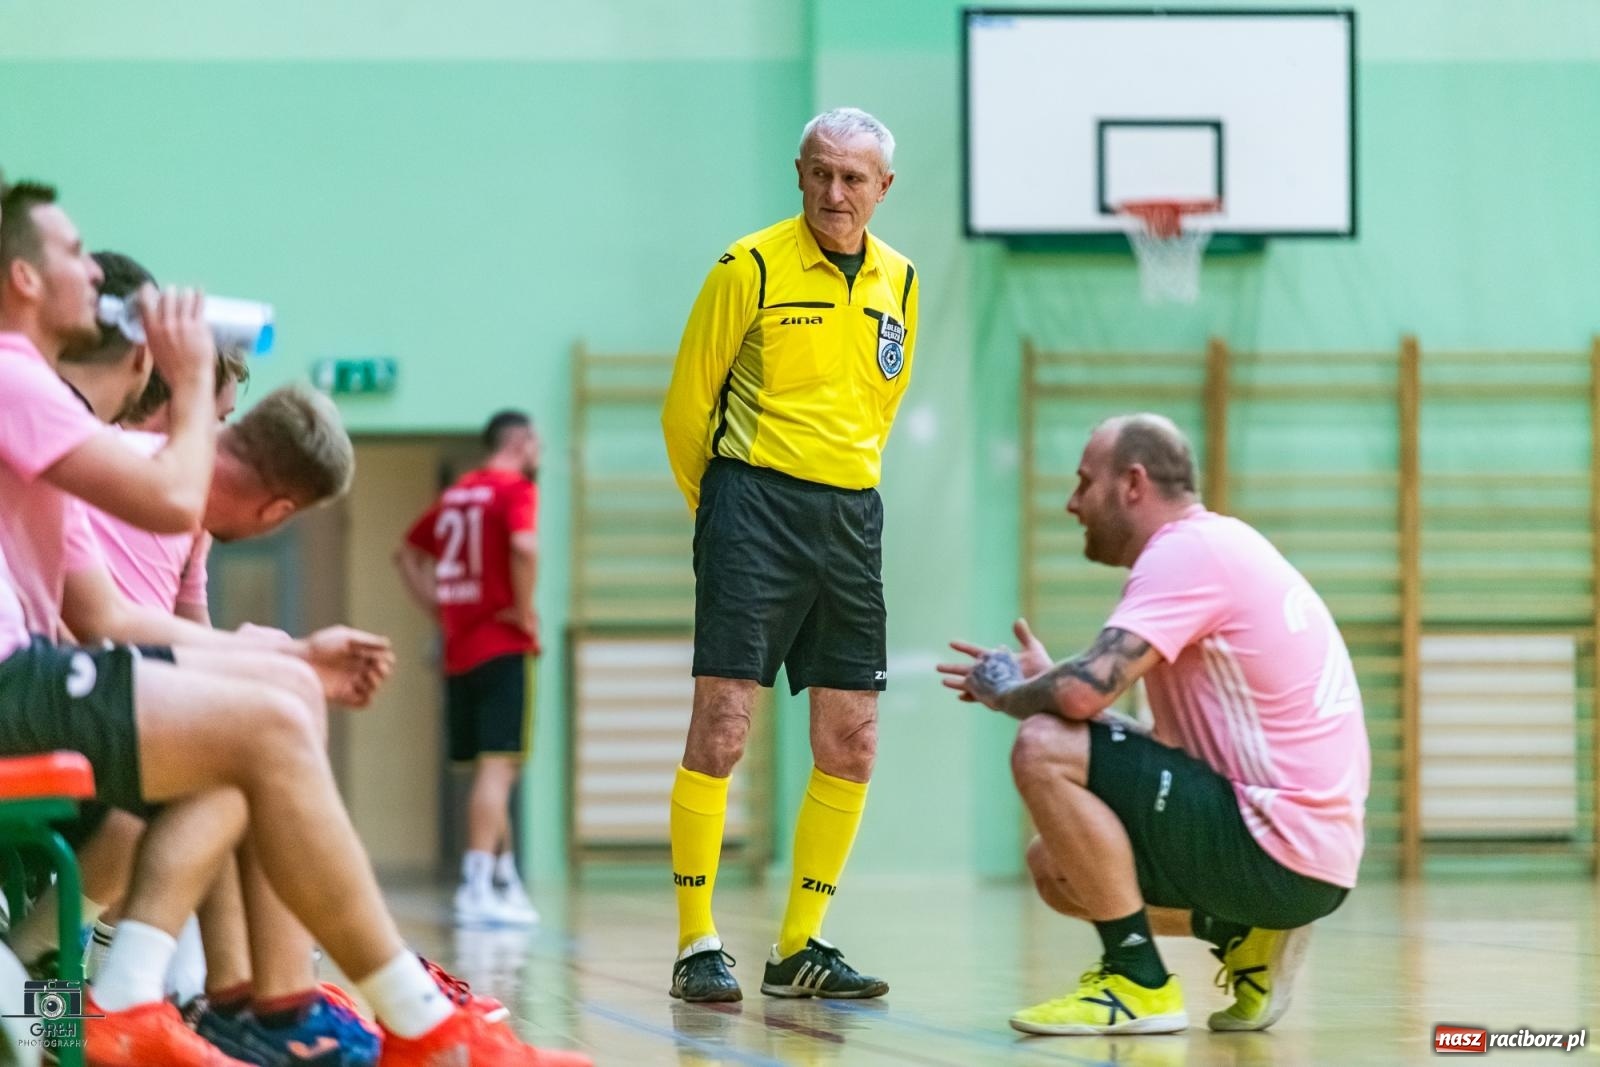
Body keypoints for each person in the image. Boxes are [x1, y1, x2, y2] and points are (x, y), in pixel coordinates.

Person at [0, 180, 587, 1065]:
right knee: (260, 722)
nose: (90, 264)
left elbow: (104, 608)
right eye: (71, 249)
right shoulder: (23, 380)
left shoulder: (54, 420)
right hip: (21, 687)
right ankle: (350, 1014)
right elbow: (158, 517)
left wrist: (277, 655)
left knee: (265, 705)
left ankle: (256, 1006)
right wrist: (195, 381)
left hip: (40, 676)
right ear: (25, 279)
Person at [938, 413, 1369, 1036]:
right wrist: (1047, 687)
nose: (1072, 502)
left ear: (1132, 483)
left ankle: (1138, 983)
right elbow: (1154, 741)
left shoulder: (1184, 553)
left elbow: (1083, 693)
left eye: (1086, 482)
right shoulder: (1215, 546)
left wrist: (1014, 692)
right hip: (1307, 856)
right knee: (1058, 868)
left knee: (1041, 745)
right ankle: (1242, 936)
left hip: (1278, 844)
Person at [658, 106, 919, 1003]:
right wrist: (722, 518)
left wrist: (840, 485)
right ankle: (698, 941)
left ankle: (801, 943)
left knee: (853, 737)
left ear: (884, 188)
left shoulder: (902, 281)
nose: (835, 192)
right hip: (751, 505)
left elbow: (879, 406)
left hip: (850, 517)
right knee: (725, 722)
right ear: (798, 173)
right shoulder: (750, 266)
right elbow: (686, 409)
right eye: (821, 173)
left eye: (854, 178)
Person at [395, 410, 542, 927]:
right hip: (502, 641)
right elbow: (524, 547)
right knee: (499, 767)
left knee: (488, 769)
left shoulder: (458, 494)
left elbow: (406, 556)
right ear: (522, 442)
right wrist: (524, 612)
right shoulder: (515, 490)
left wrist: (439, 607)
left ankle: (504, 879)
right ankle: (477, 882)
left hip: (459, 646)